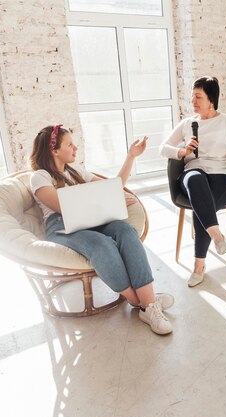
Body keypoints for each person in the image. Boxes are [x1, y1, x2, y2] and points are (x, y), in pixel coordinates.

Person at [29, 124, 175, 335]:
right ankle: (145, 303)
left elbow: (112, 188)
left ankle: (148, 304)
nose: (75, 148)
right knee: (101, 244)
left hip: (90, 218)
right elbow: (63, 207)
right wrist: (100, 199)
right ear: (54, 150)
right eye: (70, 144)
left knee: (126, 231)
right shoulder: (39, 176)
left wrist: (131, 157)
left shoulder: (76, 171)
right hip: (62, 225)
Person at [159, 76, 226, 287]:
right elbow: (163, 148)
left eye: (198, 97)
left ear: (211, 99)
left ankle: (199, 266)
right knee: (195, 180)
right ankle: (217, 237)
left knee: (202, 205)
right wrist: (184, 151)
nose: (193, 101)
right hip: (195, 171)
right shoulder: (188, 123)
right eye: (192, 96)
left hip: (223, 176)